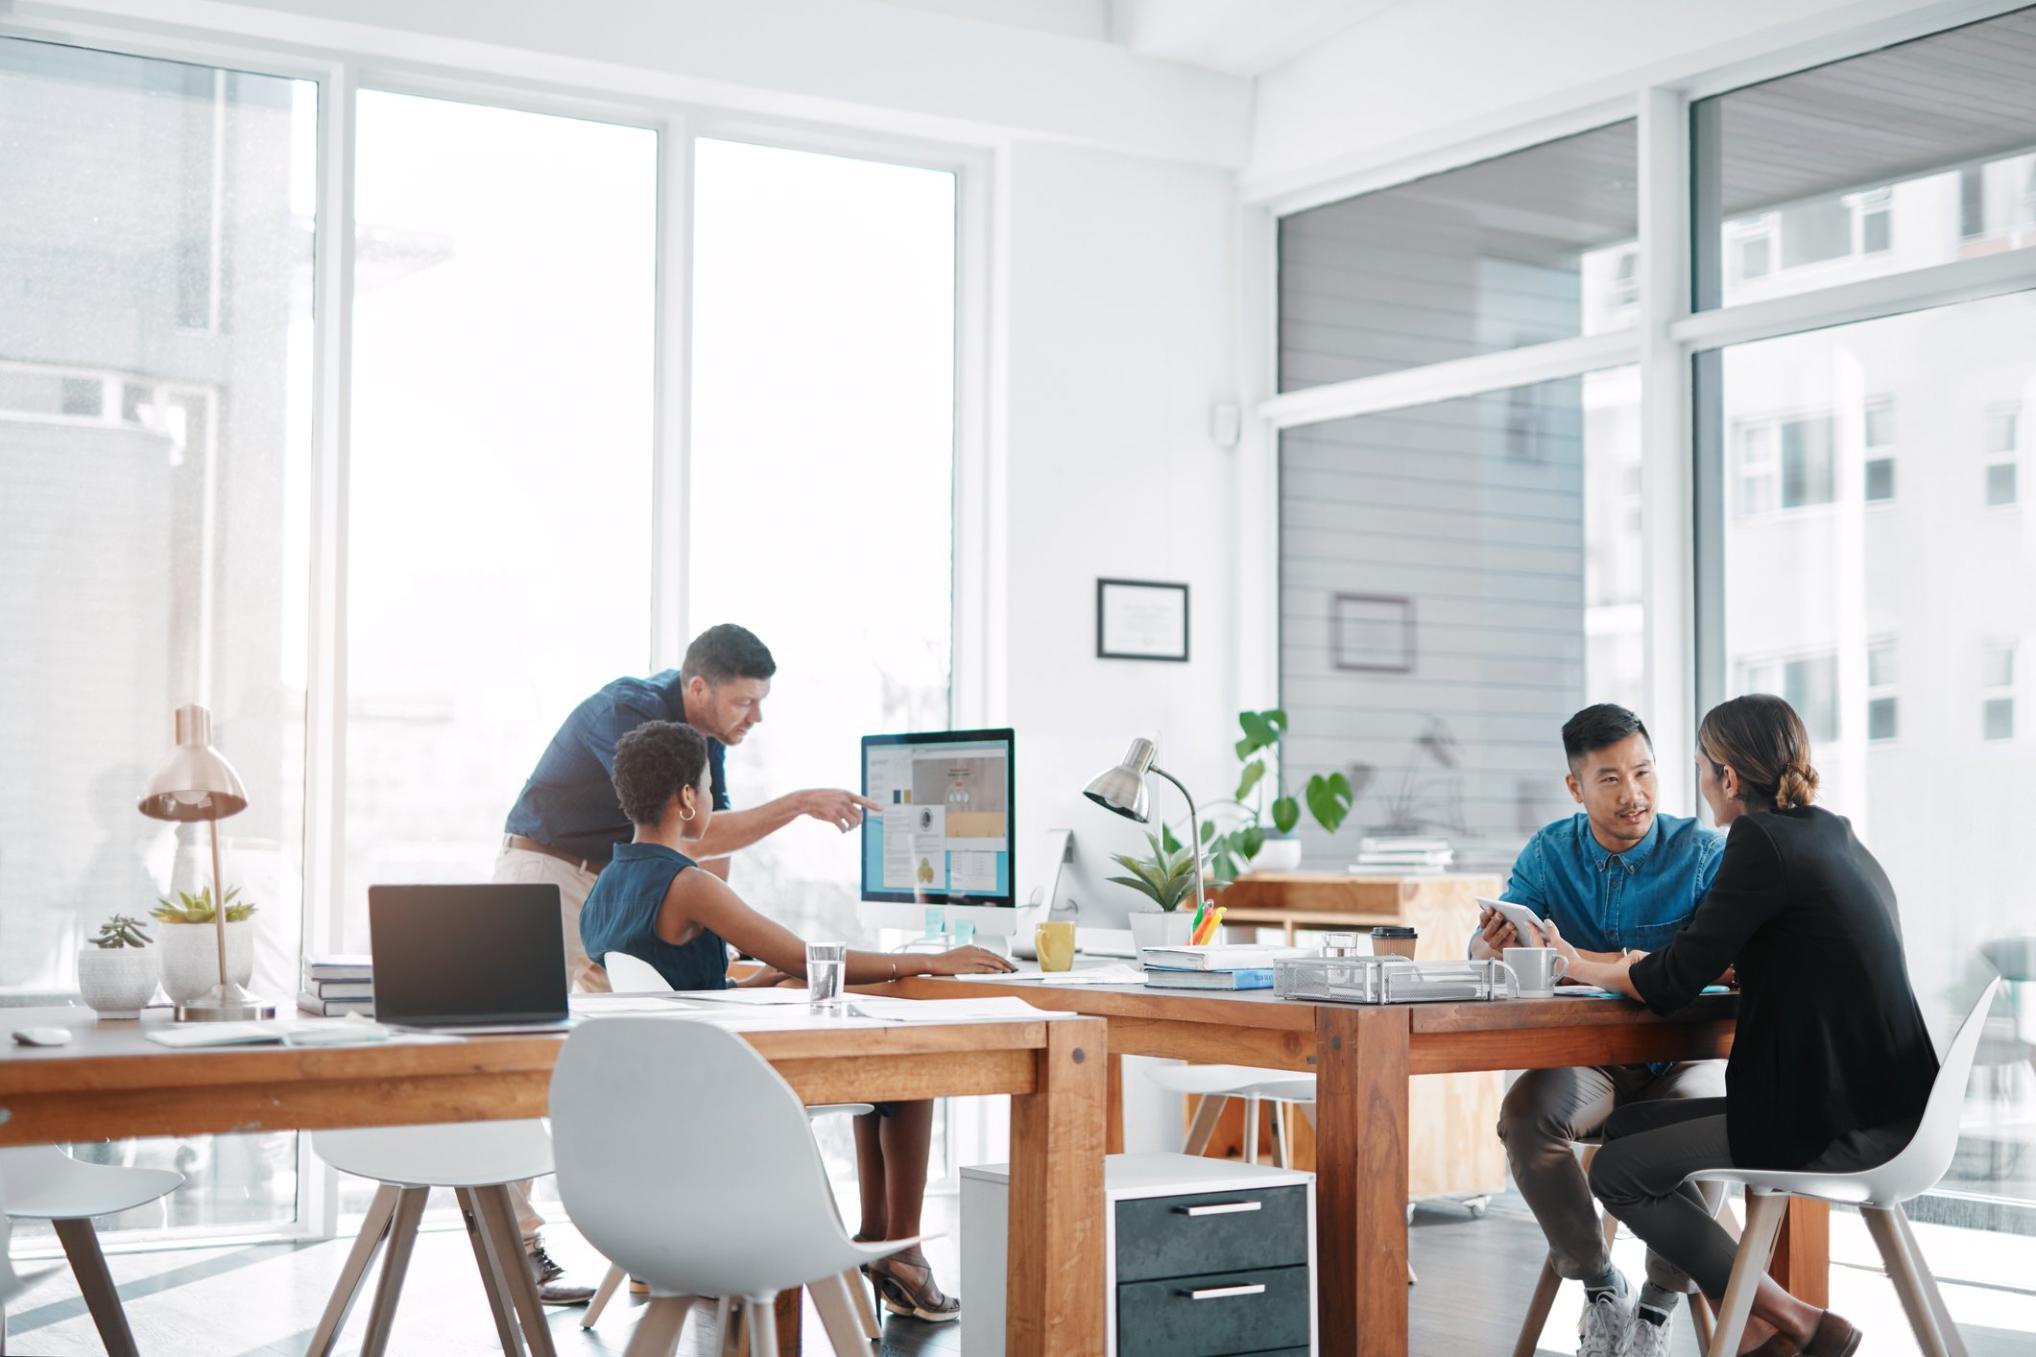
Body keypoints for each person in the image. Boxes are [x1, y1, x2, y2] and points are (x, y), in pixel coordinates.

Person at [581, 719, 1014, 1321]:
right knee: (908, 1071)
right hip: (725, 1085)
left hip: (674, 1083)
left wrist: (755, 983)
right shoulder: (687, 883)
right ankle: (901, 1251)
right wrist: (926, 961)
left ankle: (878, 1240)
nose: (712, 799)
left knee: (879, 1072)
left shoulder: (606, 884)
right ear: (685, 798)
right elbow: (803, 958)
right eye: (708, 787)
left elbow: (669, 989)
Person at [496, 622, 877, 1302]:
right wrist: (798, 803)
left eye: (760, 702)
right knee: (522, 1052)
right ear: (698, 687)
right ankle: (516, 1246)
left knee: (644, 1063)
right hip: (551, 872)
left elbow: (702, 842)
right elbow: (684, 824)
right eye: (744, 701)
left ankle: (656, 1236)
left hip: (615, 883)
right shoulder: (629, 712)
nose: (754, 717)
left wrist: (717, 935)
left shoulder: (706, 742)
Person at [1550, 695, 1937, 1357]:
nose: (1700, 781)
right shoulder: (1830, 832)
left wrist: (1580, 964)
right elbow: (1800, 948)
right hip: (1887, 1105)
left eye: (1702, 766)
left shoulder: (1759, 841)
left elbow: (1673, 979)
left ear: (1727, 777)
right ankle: (1767, 1323)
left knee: (1614, 1172)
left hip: (1833, 1122)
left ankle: (1795, 1318)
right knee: (1628, 1126)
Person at [1470, 704, 1728, 1357]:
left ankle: (1658, 1305)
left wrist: (1590, 960)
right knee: (1525, 1116)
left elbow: (1729, 963)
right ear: (1576, 787)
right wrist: (1488, 944)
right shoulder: (1549, 852)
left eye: (1643, 772)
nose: (1633, 793)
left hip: (1685, 1058)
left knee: (1706, 1117)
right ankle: (1601, 1287)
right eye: (1610, 778)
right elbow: (1485, 947)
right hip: (1592, 1061)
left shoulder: (1702, 853)